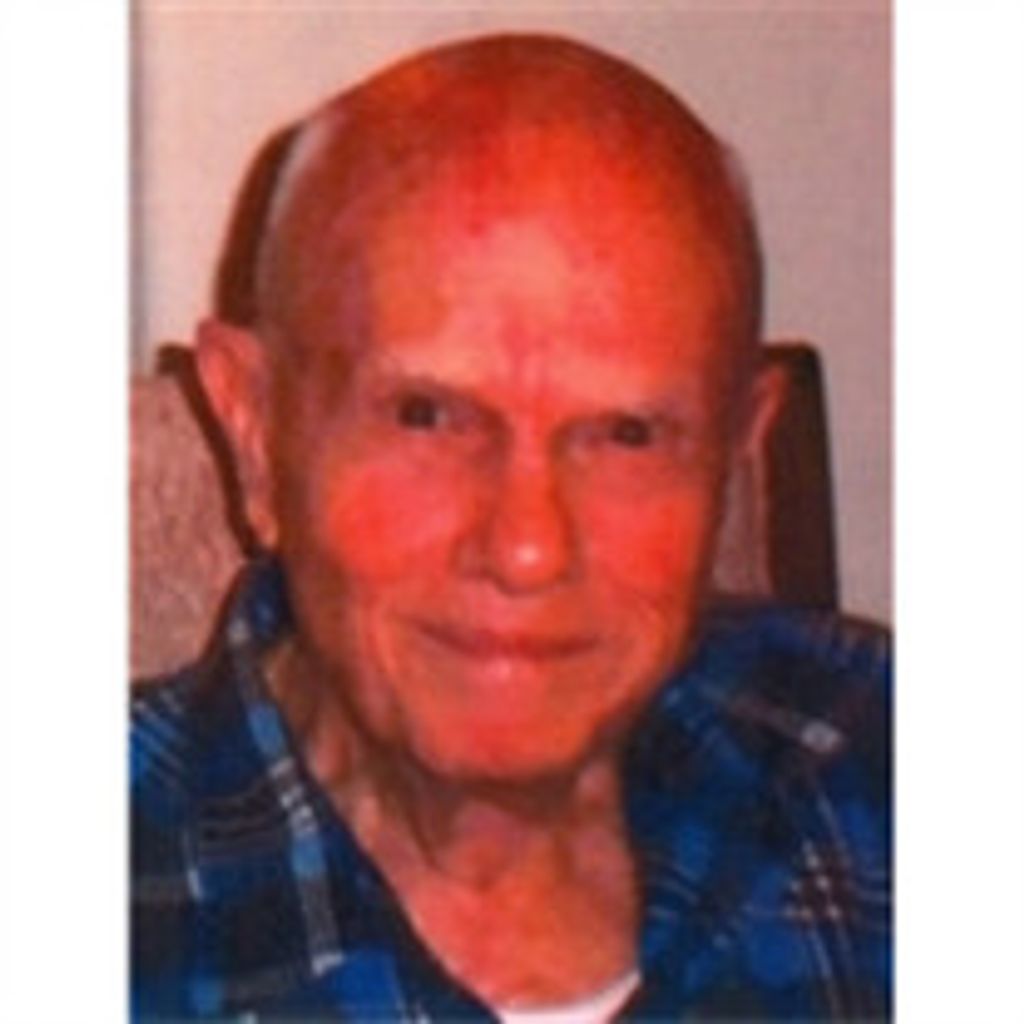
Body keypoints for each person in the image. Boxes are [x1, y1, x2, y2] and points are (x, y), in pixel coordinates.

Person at [131, 33, 890, 1022]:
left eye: (626, 434)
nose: (528, 548)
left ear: (735, 449)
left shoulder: (871, 760)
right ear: (255, 429)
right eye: (426, 416)